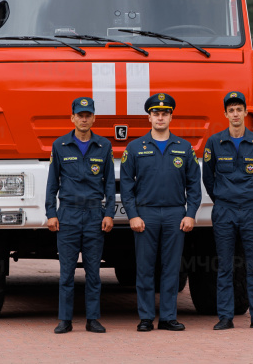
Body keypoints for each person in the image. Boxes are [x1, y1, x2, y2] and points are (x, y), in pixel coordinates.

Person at [120, 93, 202, 332]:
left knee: (171, 268)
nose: (160, 117)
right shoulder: (135, 148)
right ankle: (146, 317)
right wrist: (133, 215)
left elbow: (194, 186)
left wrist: (191, 214)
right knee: (144, 268)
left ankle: (167, 317)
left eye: (165, 113)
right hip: (146, 215)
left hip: (176, 214)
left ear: (171, 116)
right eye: (156, 113)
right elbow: (126, 185)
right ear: (149, 117)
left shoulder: (184, 148)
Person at [203, 91, 253, 331]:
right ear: (225, 114)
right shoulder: (214, 142)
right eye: (231, 110)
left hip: (250, 211)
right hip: (224, 210)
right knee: (224, 265)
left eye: (239, 109)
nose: (235, 114)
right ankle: (225, 316)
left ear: (246, 112)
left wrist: (249, 196)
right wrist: (223, 198)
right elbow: (208, 178)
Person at [46, 97, 115, 334]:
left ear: (94, 118)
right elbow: (52, 183)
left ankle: (92, 319)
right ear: (72, 118)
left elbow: (109, 186)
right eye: (80, 115)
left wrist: (109, 214)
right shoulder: (60, 145)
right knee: (66, 272)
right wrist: (50, 213)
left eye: (88, 115)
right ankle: (65, 320)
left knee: (93, 272)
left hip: (95, 214)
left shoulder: (104, 146)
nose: (84, 119)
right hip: (68, 214)